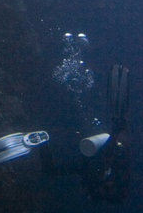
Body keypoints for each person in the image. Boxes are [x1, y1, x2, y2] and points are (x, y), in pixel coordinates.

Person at [39, 64, 131, 204]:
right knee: (52, 171)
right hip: (93, 160)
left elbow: (52, 171)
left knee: (51, 171)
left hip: (89, 162)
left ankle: (42, 142)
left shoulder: (101, 181)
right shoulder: (112, 168)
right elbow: (109, 153)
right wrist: (117, 131)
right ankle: (43, 142)